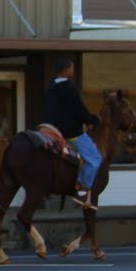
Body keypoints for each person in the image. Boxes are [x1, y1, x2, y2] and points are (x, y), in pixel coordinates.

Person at [44, 58, 101, 208]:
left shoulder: (50, 87)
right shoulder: (69, 87)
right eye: (72, 69)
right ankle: (82, 189)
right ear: (67, 70)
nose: (73, 72)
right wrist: (93, 120)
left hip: (51, 131)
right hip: (70, 132)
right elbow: (79, 110)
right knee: (95, 159)